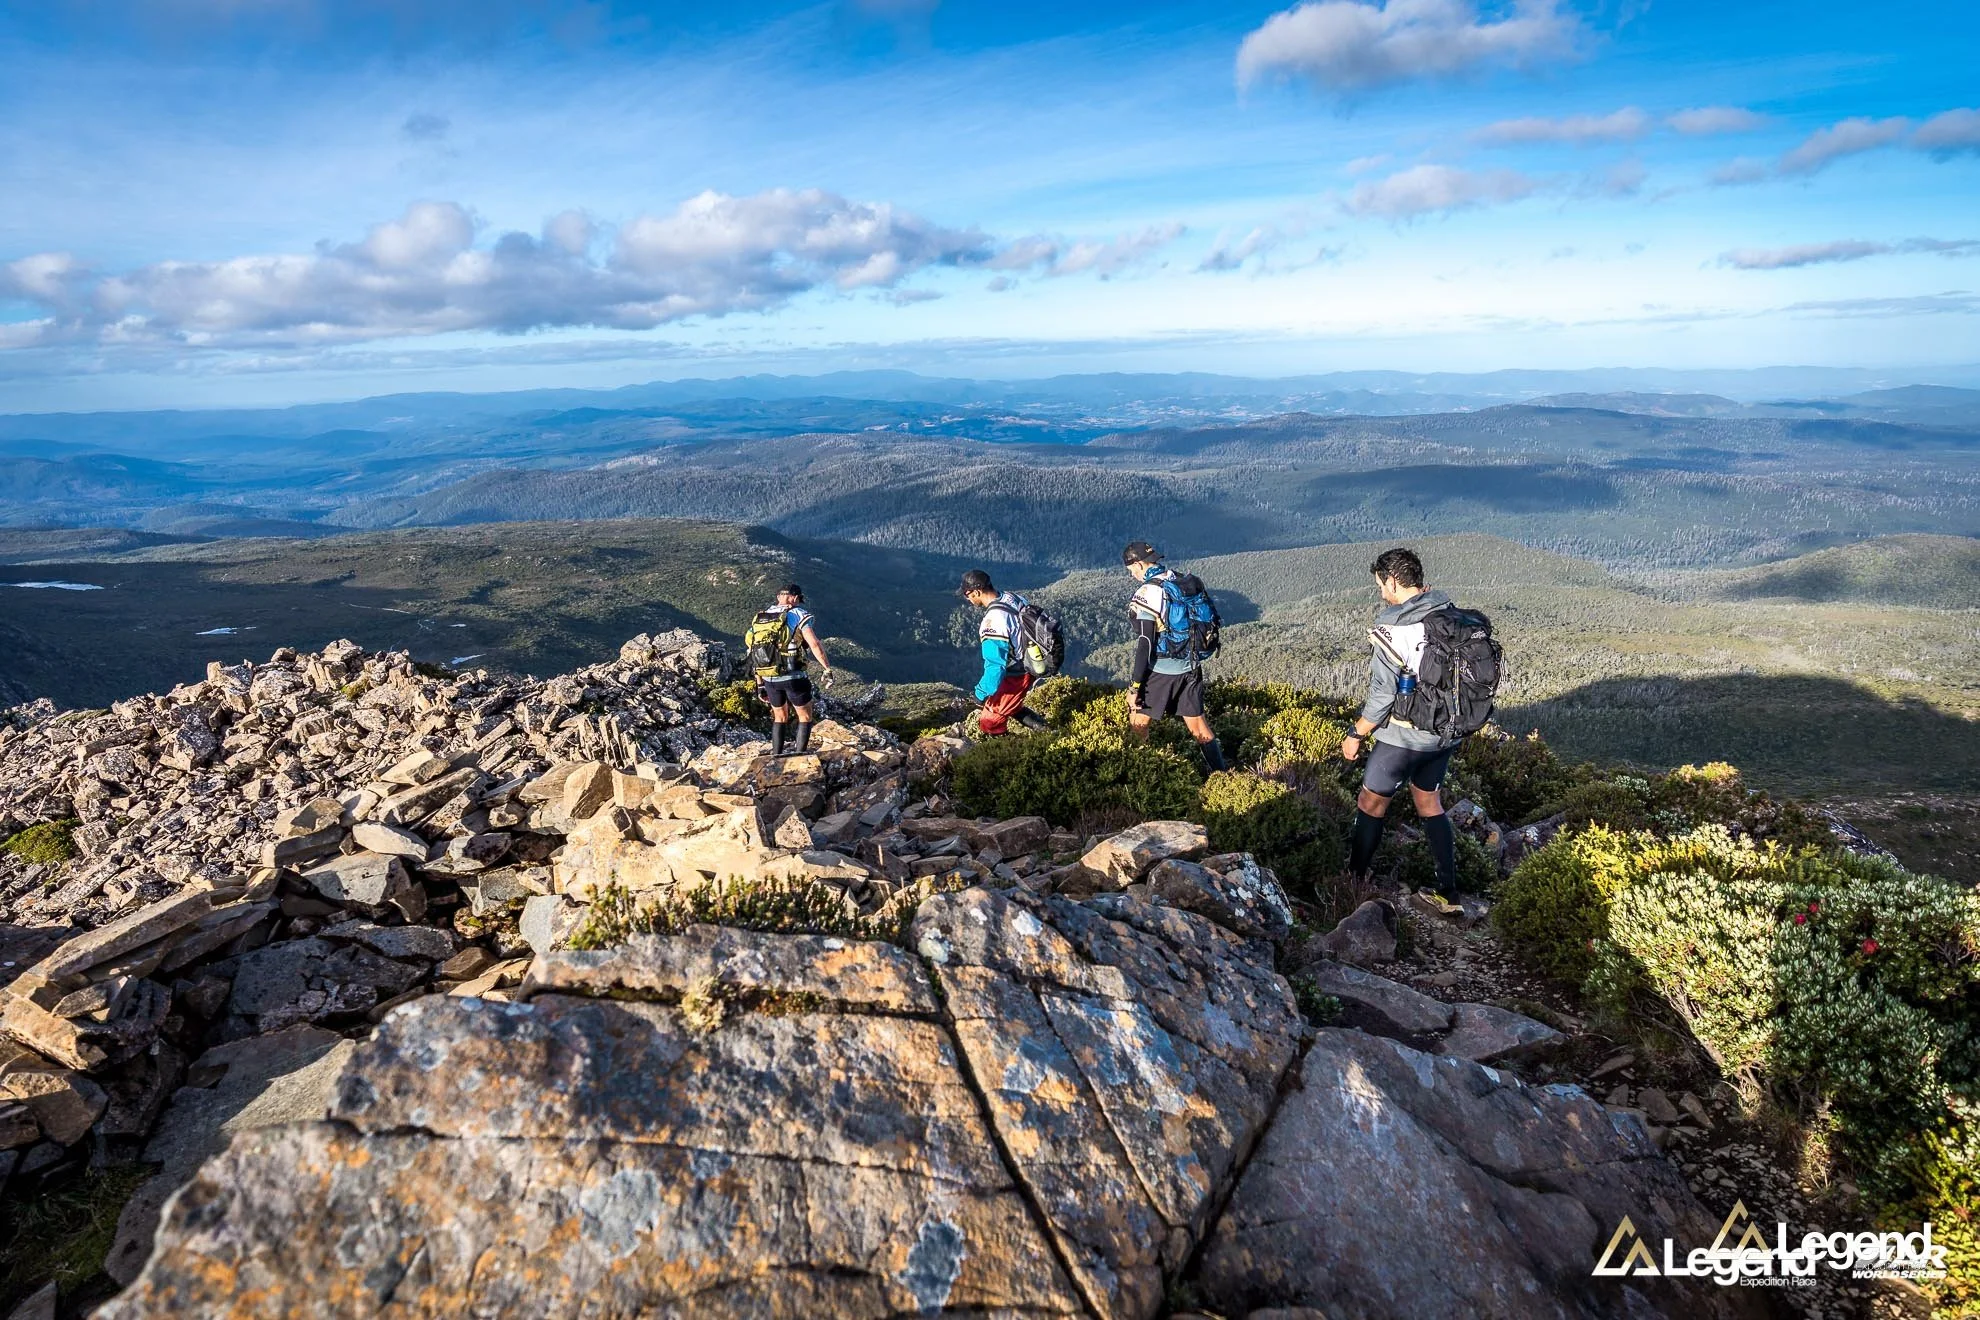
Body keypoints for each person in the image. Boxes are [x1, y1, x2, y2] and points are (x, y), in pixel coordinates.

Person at [1339, 547, 1462, 897]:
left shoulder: (1394, 628)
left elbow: (1382, 696)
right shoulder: (1450, 616)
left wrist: (1355, 734)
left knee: (1371, 803)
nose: (1381, 592)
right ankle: (1449, 893)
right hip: (1445, 733)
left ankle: (1354, 882)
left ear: (1393, 581)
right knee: (1429, 803)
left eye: (1381, 584)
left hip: (1405, 738)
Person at [1122, 541, 1226, 772]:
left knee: (1138, 721)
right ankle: (1223, 775)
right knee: (1199, 726)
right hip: (1191, 666)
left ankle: (1139, 775)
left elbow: (1145, 643)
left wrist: (1135, 686)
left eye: (1132, 570)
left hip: (1162, 671)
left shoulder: (1149, 592)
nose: (1133, 575)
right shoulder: (1180, 580)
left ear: (1139, 564)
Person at [746, 583, 833, 757]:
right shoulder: (798, 614)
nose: (799, 603)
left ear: (779, 597)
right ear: (793, 597)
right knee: (805, 716)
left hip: (769, 677)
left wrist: (760, 684)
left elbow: (754, 653)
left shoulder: (760, 618)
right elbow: (814, 644)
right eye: (799, 599)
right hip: (793, 676)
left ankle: (776, 756)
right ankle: (799, 756)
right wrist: (827, 669)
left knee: (779, 717)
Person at [959, 569, 1046, 735]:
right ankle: (1047, 731)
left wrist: (980, 694)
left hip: (1018, 673)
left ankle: (1008, 754)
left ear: (977, 591)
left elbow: (995, 667)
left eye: (967, 594)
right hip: (1033, 658)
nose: (967, 599)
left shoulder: (993, 622)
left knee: (990, 721)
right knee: (1009, 705)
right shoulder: (1012, 597)